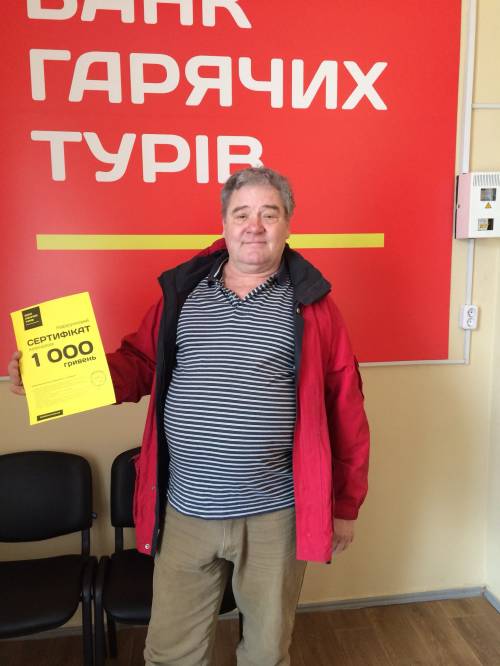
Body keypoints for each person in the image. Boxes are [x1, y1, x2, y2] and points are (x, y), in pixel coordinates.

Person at [8, 166, 370, 666]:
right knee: (171, 653)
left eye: (269, 214)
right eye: (242, 214)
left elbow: (345, 406)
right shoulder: (183, 292)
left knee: (267, 652)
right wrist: (53, 377)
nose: (255, 226)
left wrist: (345, 505)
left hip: (273, 514)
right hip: (186, 510)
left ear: (288, 224)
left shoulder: (313, 307)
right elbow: (137, 364)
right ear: (224, 223)